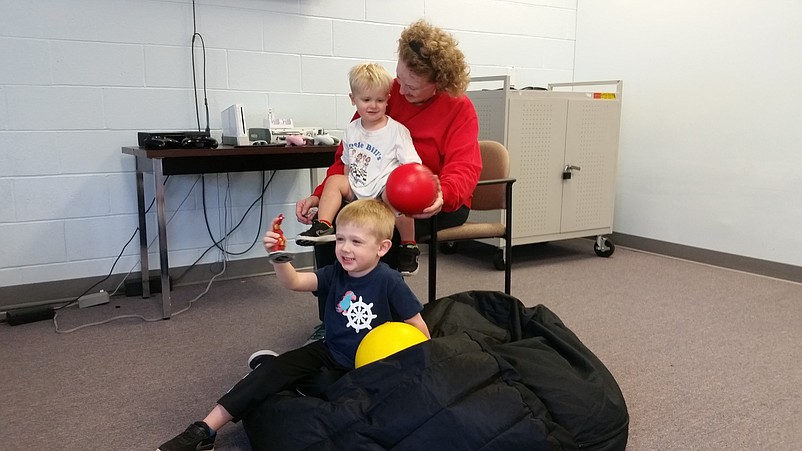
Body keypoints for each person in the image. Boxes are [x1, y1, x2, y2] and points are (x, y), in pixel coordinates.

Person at [157, 199, 431, 451]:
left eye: (357, 242)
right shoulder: (336, 272)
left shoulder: (390, 281)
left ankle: (269, 369)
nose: (345, 248)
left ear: (382, 247)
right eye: (341, 239)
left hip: (365, 367)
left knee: (337, 396)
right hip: (329, 350)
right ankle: (205, 430)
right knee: (275, 372)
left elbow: (418, 328)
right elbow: (295, 282)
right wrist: (278, 257)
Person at [295, 20, 482, 340]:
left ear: (438, 82)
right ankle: (333, 320)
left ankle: (386, 321)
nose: (401, 91)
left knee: (375, 233)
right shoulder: (385, 93)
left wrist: (443, 195)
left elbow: (465, 166)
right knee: (339, 231)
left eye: (413, 86)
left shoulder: (458, 107)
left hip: (431, 199)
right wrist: (319, 193)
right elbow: (348, 154)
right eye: (400, 78)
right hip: (375, 191)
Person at [296, 63, 423, 275]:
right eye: (366, 100)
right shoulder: (351, 130)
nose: (373, 105)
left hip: (383, 188)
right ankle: (324, 226)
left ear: (387, 99)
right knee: (334, 181)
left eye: (380, 100)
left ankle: (409, 246)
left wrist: (406, 188)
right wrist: (347, 191)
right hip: (357, 186)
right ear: (352, 99)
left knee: (397, 196)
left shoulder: (397, 131)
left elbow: (412, 166)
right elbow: (346, 163)